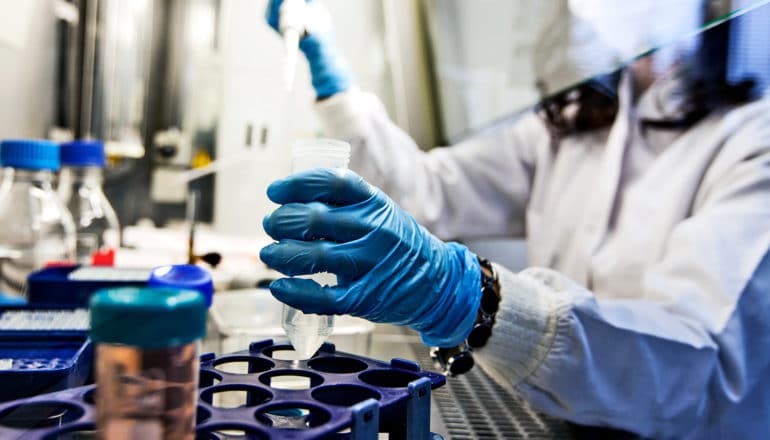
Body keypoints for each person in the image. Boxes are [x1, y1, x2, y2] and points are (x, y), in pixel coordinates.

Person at [261, 1, 770, 438]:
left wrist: (474, 298)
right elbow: (427, 190)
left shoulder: (752, 143)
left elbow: (694, 374)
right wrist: (336, 85)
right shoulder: (574, 125)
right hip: (554, 420)